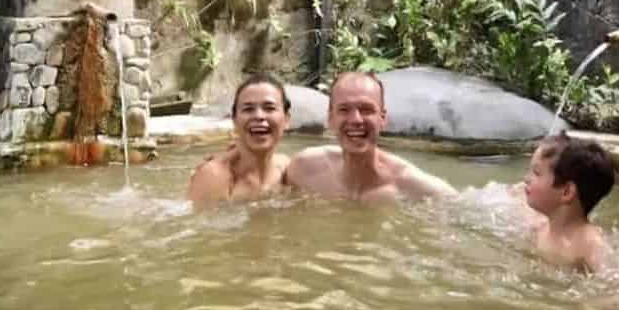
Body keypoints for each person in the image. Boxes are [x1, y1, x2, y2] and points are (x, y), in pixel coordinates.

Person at [284, 71, 457, 201]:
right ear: (330, 118)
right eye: (344, 110)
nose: (356, 120)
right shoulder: (303, 169)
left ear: (382, 119)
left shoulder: (417, 189)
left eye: (366, 110)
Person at [187, 74, 291, 208]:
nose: (259, 116)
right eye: (248, 109)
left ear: (287, 119)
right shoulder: (214, 176)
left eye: (269, 108)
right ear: (234, 121)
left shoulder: (287, 169)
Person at [522, 133, 615, 273]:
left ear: (567, 192)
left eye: (536, 173)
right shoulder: (538, 229)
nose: (526, 179)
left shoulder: (591, 245)